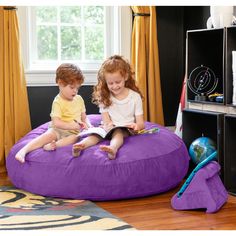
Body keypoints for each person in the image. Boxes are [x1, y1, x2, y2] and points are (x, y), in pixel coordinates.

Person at [72, 55, 145, 160]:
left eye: (118, 82)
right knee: (96, 134)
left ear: (125, 77)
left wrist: (136, 126)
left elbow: (141, 123)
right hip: (109, 128)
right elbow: (106, 120)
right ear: (106, 82)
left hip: (125, 129)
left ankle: (113, 148)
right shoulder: (105, 97)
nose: (114, 86)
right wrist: (107, 126)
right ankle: (81, 146)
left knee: (118, 132)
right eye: (110, 83)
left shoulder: (135, 97)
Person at [15, 63, 90, 163]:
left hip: (74, 133)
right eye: (72, 87)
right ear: (60, 83)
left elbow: (84, 117)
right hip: (58, 130)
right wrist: (72, 126)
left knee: (74, 139)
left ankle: (52, 145)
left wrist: (89, 126)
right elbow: (56, 123)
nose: (75, 91)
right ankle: (24, 151)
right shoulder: (58, 102)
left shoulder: (79, 99)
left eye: (77, 88)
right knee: (49, 135)